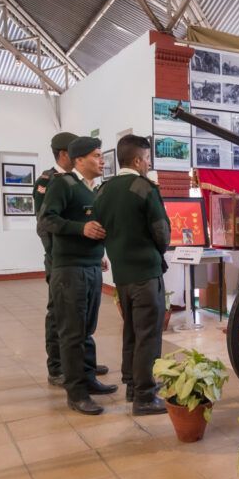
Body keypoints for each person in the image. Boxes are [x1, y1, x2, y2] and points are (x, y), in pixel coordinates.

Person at [39, 136, 118, 415]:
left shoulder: (92, 189)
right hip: (70, 269)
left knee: (86, 329)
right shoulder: (63, 184)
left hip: (91, 266)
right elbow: (47, 219)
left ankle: (88, 379)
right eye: (97, 155)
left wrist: (99, 253)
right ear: (79, 159)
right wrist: (80, 229)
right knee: (72, 332)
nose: (102, 160)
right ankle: (76, 393)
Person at [93, 135, 170, 415]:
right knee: (149, 335)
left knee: (131, 331)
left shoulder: (104, 190)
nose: (149, 164)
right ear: (137, 160)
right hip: (146, 272)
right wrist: (159, 251)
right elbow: (161, 230)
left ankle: (131, 386)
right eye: (147, 159)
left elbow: (99, 227)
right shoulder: (144, 187)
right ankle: (145, 396)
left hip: (122, 275)